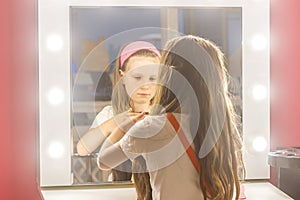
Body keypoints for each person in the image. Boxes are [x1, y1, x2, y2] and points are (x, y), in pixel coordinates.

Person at [98, 35, 244, 200]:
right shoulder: (224, 127)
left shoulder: (152, 127)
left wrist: (122, 126)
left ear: (168, 76)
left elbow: (103, 161)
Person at [76, 41, 161, 183]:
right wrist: (114, 123)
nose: (145, 85)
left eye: (153, 78)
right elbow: (83, 149)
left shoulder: (166, 115)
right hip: (118, 190)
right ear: (122, 77)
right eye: (137, 77)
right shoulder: (111, 114)